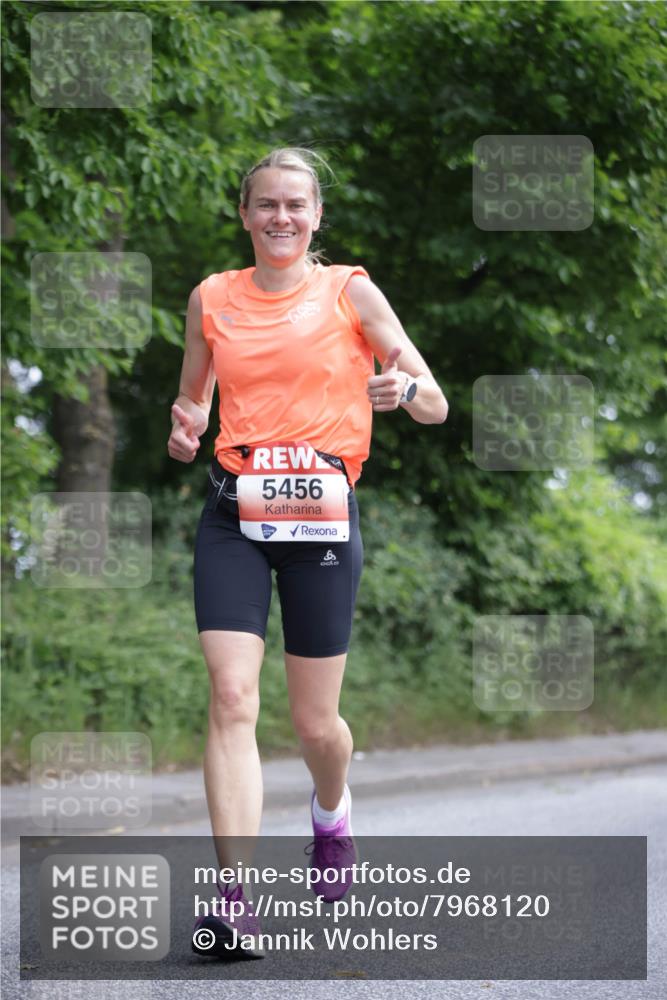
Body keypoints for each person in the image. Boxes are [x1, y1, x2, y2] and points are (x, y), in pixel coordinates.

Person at [168, 147, 448, 957]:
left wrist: (402, 391)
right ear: (245, 214)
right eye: (266, 205)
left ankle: (331, 814)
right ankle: (233, 899)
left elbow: (430, 401)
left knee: (314, 723)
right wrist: (185, 424)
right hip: (235, 515)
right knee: (231, 699)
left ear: (316, 216)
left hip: (323, 521)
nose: (280, 218)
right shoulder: (211, 297)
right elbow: (195, 392)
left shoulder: (348, 290)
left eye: (296, 205)